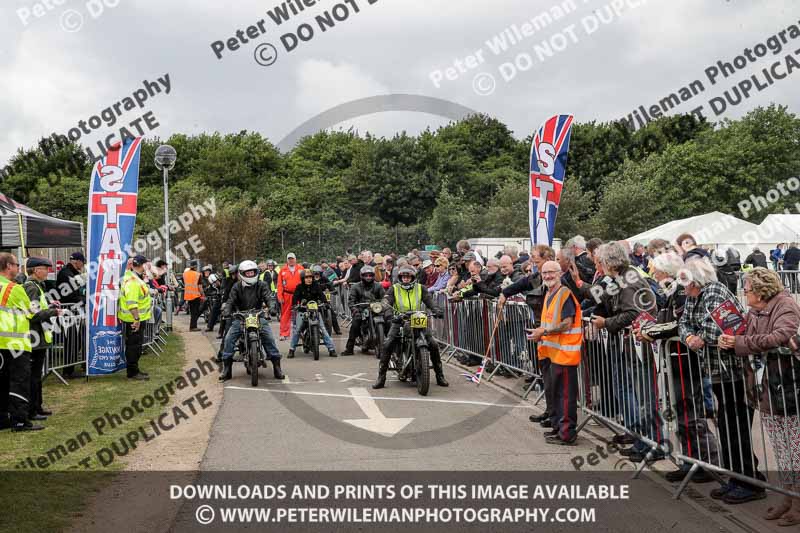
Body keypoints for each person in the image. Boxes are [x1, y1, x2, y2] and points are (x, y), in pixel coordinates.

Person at [679, 258, 766, 504]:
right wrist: (689, 338)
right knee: (728, 426)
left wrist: (698, 338)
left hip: (735, 371)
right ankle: (740, 478)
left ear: (695, 279)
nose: (681, 285)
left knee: (736, 426)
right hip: (717, 370)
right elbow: (684, 323)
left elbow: (722, 328)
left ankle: (749, 482)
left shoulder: (714, 291)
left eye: (684, 280)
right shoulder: (694, 296)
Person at [719, 268, 800, 521]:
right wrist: (730, 341)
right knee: (781, 449)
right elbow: (747, 336)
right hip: (767, 390)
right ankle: (787, 497)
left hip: (786, 389)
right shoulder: (754, 311)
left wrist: (740, 344)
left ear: (760, 290)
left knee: (794, 450)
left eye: (747, 289)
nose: (744, 293)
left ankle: (797, 503)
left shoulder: (785, 305)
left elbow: (782, 336)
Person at [638, 252, 718, 483]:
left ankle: (707, 462)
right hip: (674, 359)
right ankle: (689, 460)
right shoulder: (674, 292)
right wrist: (649, 328)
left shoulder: (682, 293)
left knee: (691, 414)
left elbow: (679, 326)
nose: (654, 274)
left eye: (657, 271)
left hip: (686, 360)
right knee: (681, 415)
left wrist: (651, 332)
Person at [590, 242, 660, 463]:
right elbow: (599, 298)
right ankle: (641, 440)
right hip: (631, 345)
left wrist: (606, 322)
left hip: (638, 346)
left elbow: (631, 313)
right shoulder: (623, 278)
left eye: (602, 261)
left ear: (611, 262)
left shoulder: (628, 281)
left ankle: (652, 444)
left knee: (645, 397)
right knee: (638, 396)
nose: (600, 265)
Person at [529, 261, 583, 445]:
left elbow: (566, 323)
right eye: (544, 273)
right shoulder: (550, 293)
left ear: (559, 273)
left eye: (551, 272)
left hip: (565, 355)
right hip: (553, 354)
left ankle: (567, 434)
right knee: (556, 394)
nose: (547, 276)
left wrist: (543, 332)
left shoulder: (564, 294)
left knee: (565, 396)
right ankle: (559, 429)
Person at [373, 265, 447, 389]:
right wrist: (389, 314)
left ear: (413, 277)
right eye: (403, 276)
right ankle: (381, 377)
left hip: (418, 319)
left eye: (408, 276)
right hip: (400, 320)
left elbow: (430, 301)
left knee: (433, 344)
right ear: (400, 277)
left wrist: (436, 309)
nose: (406, 279)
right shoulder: (394, 288)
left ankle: (440, 375)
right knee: (388, 343)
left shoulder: (421, 288)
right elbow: (386, 303)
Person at [220, 260, 284, 381]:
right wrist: (227, 310)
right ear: (242, 274)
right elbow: (230, 301)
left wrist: (272, 307)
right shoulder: (236, 287)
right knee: (229, 339)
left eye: (252, 272)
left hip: (258, 315)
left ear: (256, 272)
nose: (250, 275)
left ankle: (277, 367)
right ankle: (227, 369)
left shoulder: (262, 284)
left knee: (269, 337)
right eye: (247, 273)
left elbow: (268, 297)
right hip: (241, 317)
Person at [0, 253, 41, 431]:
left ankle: (3, 419)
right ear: (8, 266)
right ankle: (19, 420)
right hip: (16, 343)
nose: (18, 268)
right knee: (19, 383)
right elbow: (32, 311)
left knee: (2, 382)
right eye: (17, 265)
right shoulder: (13, 288)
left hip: (2, 342)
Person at [23, 257, 61, 424]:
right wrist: (54, 312)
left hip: (39, 336)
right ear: (36, 270)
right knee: (33, 376)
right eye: (45, 268)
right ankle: (32, 409)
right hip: (34, 337)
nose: (47, 271)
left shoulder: (38, 286)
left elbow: (40, 308)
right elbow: (34, 314)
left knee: (37, 376)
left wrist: (50, 306)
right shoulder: (31, 287)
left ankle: (37, 406)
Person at [287, 270, 337, 358]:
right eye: (306, 278)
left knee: (323, 329)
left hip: (315, 311)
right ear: (303, 279)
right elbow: (295, 298)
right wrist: (295, 305)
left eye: (310, 277)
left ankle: (331, 349)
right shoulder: (299, 287)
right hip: (303, 311)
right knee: (297, 330)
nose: (309, 279)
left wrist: (325, 303)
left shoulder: (316, 286)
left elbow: (322, 296)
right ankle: (291, 350)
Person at [118, 255, 152, 381]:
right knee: (134, 347)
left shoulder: (133, 277)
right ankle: (132, 373)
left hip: (135, 318)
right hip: (133, 319)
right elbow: (132, 303)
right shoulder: (133, 281)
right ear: (142, 265)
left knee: (136, 346)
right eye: (146, 264)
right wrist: (136, 319)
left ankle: (135, 370)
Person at [343, 265, 386, 355]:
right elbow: (351, 301)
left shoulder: (378, 286)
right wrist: (355, 309)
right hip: (361, 310)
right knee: (355, 323)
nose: (368, 277)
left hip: (375, 309)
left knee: (388, 320)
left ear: (373, 276)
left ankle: (388, 346)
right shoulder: (356, 287)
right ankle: (349, 348)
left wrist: (383, 305)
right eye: (366, 275)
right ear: (362, 276)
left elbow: (384, 298)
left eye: (370, 275)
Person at [277, 253, 303, 340]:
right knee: (285, 315)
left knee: (301, 313)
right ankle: (284, 334)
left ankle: (301, 332)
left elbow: (305, 281)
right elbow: (279, 285)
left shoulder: (301, 268)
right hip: (287, 295)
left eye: (292, 259)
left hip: (298, 295)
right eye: (289, 259)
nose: (291, 260)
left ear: (295, 259)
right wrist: (280, 296)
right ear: (287, 260)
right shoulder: (282, 270)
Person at [310, 265, 341, 335]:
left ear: (321, 273)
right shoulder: (310, 279)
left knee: (331, 312)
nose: (317, 275)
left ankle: (337, 329)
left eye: (318, 273)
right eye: (315, 273)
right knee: (308, 312)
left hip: (323, 299)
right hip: (313, 299)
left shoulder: (324, 278)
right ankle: (305, 330)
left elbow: (330, 285)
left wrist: (333, 290)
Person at [183, 260, 204, 331]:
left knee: (192, 312)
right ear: (195, 267)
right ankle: (193, 327)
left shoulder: (185, 274)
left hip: (188, 295)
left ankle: (192, 326)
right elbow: (200, 287)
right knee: (195, 312)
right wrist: (203, 295)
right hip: (195, 295)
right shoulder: (198, 274)